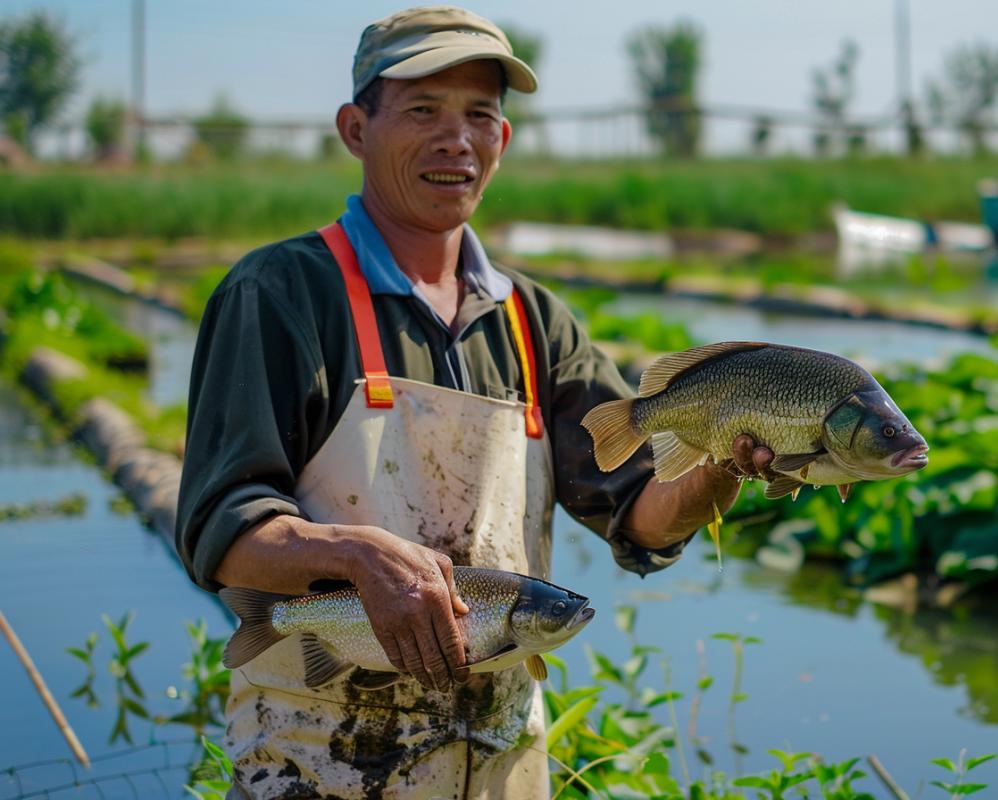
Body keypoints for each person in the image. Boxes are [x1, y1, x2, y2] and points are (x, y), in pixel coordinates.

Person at [175, 6, 775, 798]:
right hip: (317, 762)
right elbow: (223, 532)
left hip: (500, 762)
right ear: (356, 129)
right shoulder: (281, 294)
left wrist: (717, 470)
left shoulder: (535, 321)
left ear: (503, 141)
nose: (455, 139)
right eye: (423, 110)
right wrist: (352, 554)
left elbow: (638, 511)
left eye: (480, 115)